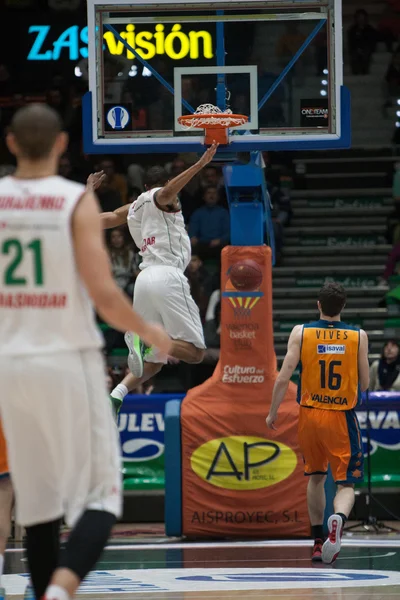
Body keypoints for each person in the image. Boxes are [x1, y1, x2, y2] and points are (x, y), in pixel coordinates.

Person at [0, 104, 171, 600]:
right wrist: (151, 332)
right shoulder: (73, 202)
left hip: (12, 367)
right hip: (65, 358)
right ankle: (60, 590)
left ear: (11, 143)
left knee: (37, 504)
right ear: (59, 146)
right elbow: (103, 294)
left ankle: (44, 590)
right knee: (101, 498)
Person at [101, 143, 218, 416]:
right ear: (162, 183)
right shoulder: (161, 196)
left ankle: (116, 395)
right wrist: (200, 165)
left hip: (144, 279)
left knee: (153, 362)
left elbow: (105, 218)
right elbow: (165, 193)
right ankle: (148, 340)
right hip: (167, 276)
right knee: (196, 352)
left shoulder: (133, 208)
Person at [266, 282, 370, 564]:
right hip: (340, 416)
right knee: (345, 484)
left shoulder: (301, 332)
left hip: (309, 413)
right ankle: (337, 519)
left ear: (318, 305)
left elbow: (284, 376)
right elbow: (366, 381)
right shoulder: (358, 336)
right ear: (343, 307)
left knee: (315, 477)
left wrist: (272, 412)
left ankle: (316, 541)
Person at [189, 185, 230, 260]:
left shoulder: (224, 213)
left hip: (219, 244)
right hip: (202, 244)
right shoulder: (198, 213)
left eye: (214, 193)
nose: (212, 195)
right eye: (209, 193)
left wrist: (220, 240)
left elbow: (228, 232)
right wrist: (193, 237)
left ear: (218, 197)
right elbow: (193, 229)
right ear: (204, 197)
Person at [347, 9, 377, 75]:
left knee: (365, 55)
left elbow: (372, 42)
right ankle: (355, 72)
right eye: (359, 17)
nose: (361, 20)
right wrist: (357, 49)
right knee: (354, 56)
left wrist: (364, 49)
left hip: (367, 49)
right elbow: (351, 43)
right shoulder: (352, 30)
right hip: (355, 50)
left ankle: (364, 72)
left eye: (362, 17)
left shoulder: (370, 29)